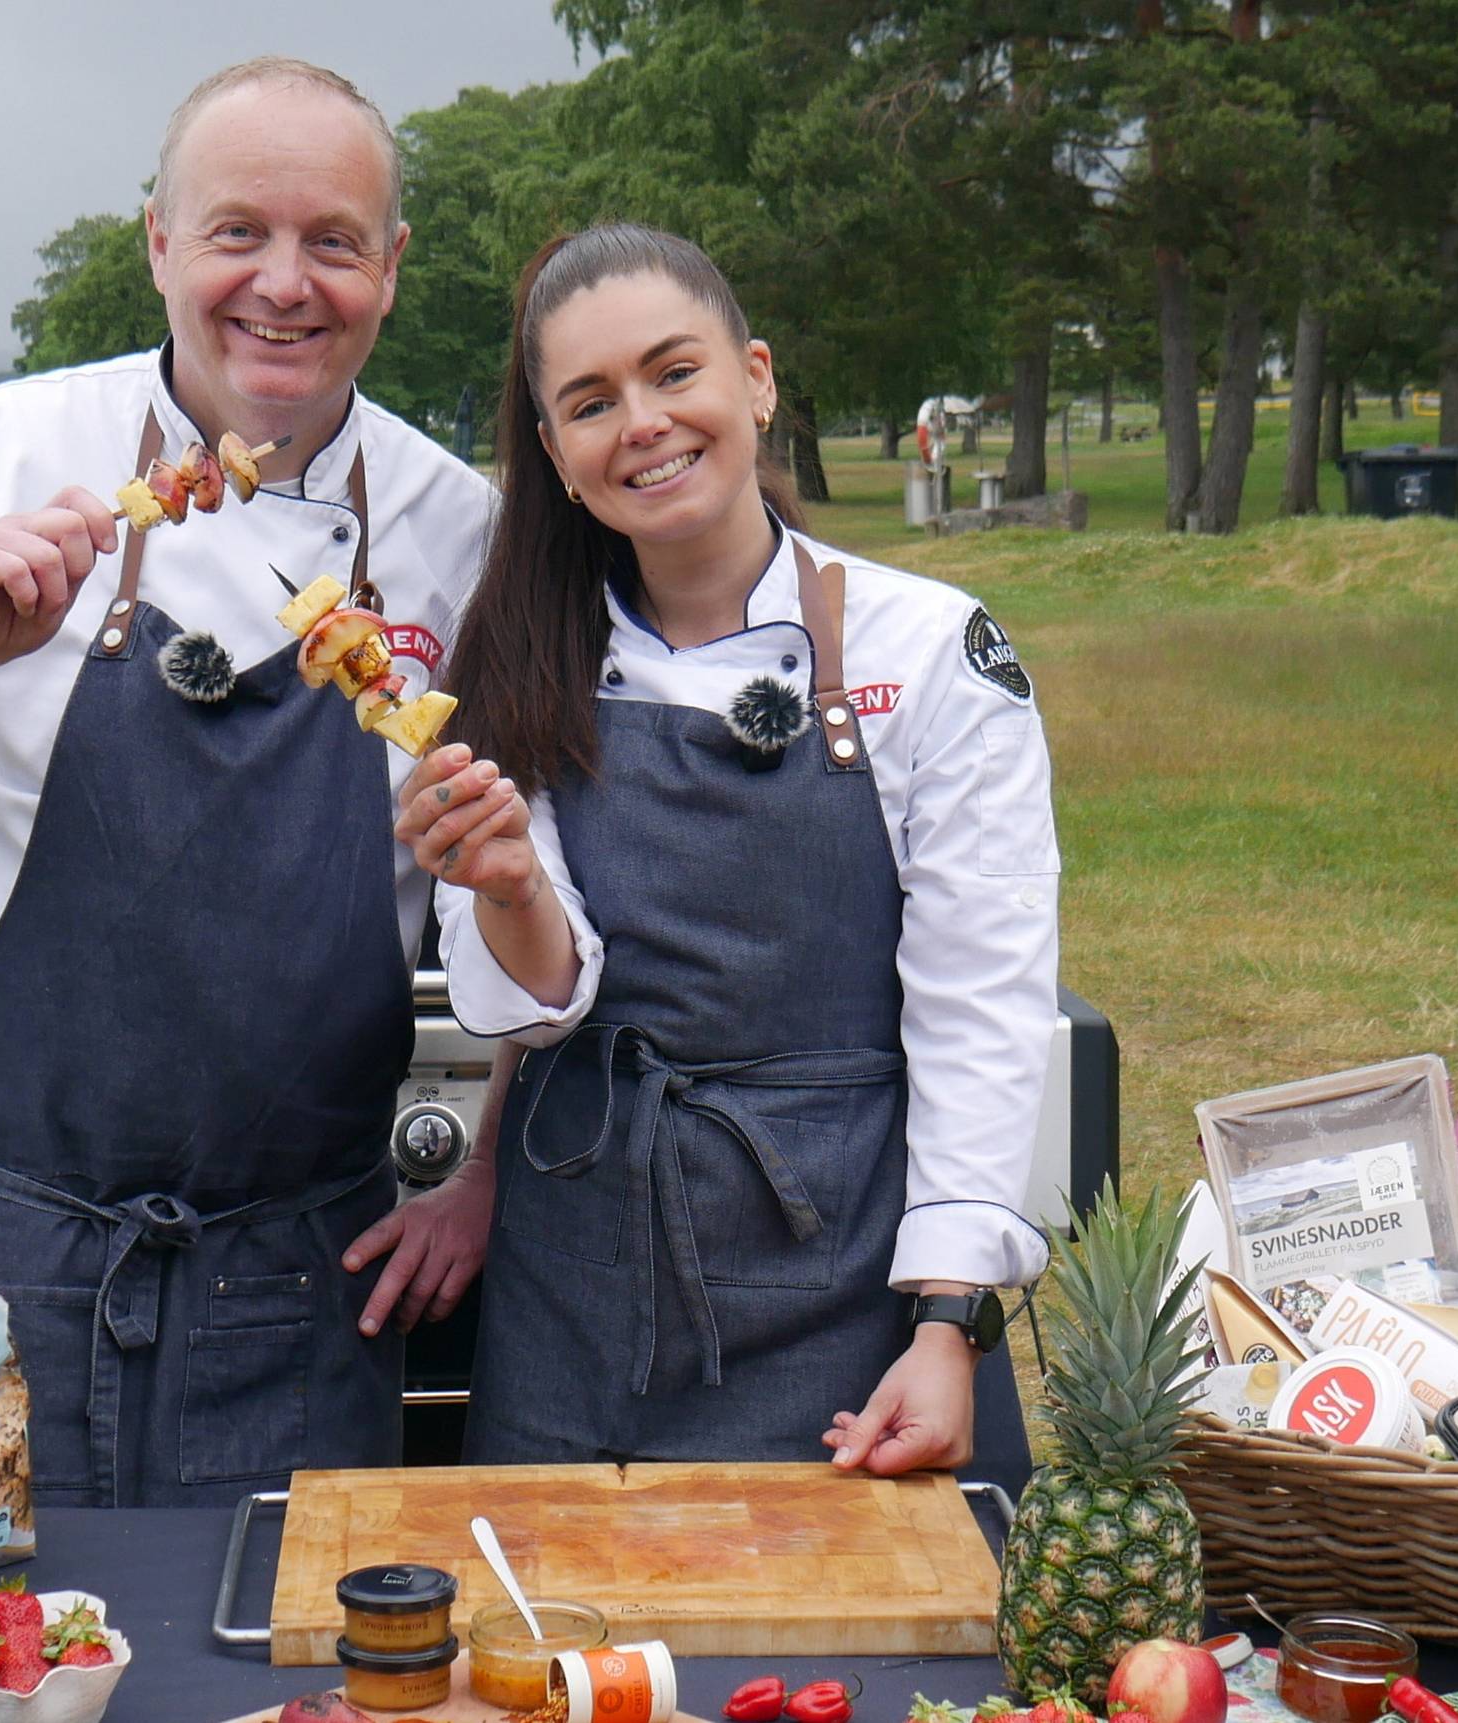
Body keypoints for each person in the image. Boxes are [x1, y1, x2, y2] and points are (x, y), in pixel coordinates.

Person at [0, 58, 505, 1507]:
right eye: (235, 233)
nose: (283, 283)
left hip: (304, 1262)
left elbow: (560, 878)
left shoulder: (465, 532)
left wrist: (491, 1161)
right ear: (157, 242)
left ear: (390, 271)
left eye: (332, 240)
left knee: (283, 1660)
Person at [395, 225, 1057, 1482]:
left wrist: (945, 1319)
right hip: (574, 1290)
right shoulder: (522, 661)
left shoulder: (926, 652)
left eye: (673, 372)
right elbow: (534, 1005)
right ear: (556, 457)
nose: (639, 422)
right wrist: (509, 887)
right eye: (590, 403)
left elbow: (981, 1006)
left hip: (845, 1273)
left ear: (754, 379)